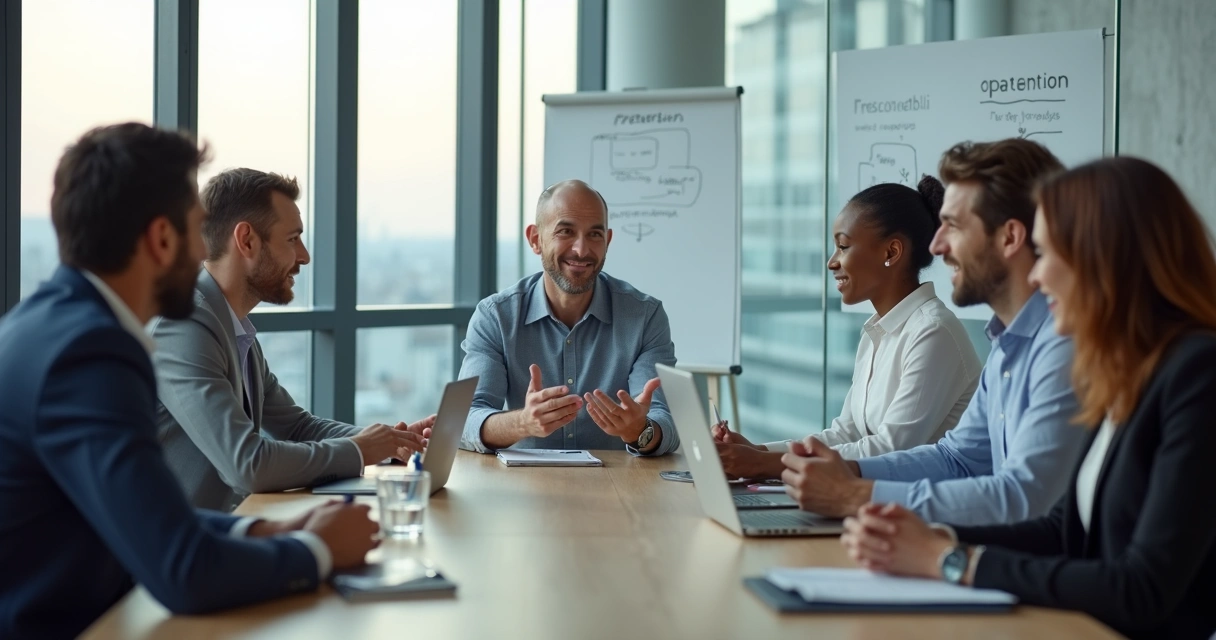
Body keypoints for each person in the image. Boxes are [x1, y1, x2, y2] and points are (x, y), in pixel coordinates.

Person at [0, 124, 379, 640]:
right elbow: (183, 569)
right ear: (161, 239)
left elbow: (148, 514)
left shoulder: (50, 326)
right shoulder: (90, 355)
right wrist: (317, 551)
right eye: (199, 230)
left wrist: (268, 528)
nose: (207, 253)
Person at [840, 156, 1216, 640]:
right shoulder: (1126, 369)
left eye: (1051, 252)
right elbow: (1062, 529)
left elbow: (1142, 588)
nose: (1037, 277)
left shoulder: (1196, 373)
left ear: (1106, 257)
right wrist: (930, 539)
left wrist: (951, 560)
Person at [781, 138, 1088, 525]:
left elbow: (1024, 498)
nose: (937, 245)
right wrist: (850, 474)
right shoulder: (1007, 347)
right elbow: (956, 459)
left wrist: (855, 494)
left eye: (954, 226)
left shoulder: (1063, 345)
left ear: (1009, 237)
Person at [152, 168, 432, 511]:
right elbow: (247, 465)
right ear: (247, 241)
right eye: (292, 239)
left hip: (226, 535)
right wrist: (362, 450)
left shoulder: (231, 326)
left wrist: (390, 441)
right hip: (180, 555)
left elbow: (298, 427)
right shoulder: (185, 324)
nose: (305, 256)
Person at [713, 175, 981, 479]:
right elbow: (847, 432)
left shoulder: (933, 332)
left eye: (843, 246)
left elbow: (892, 450)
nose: (831, 262)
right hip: (873, 501)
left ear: (891, 252)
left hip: (919, 514)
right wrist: (760, 452)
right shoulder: (878, 331)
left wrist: (764, 465)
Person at [459, 179, 677, 456]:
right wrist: (523, 422)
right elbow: (465, 420)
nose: (582, 250)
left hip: (618, 490)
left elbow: (664, 423)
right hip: (525, 488)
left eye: (595, 235)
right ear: (536, 240)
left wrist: (640, 432)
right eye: (566, 232)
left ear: (607, 241)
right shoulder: (496, 317)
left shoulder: (645, 316)